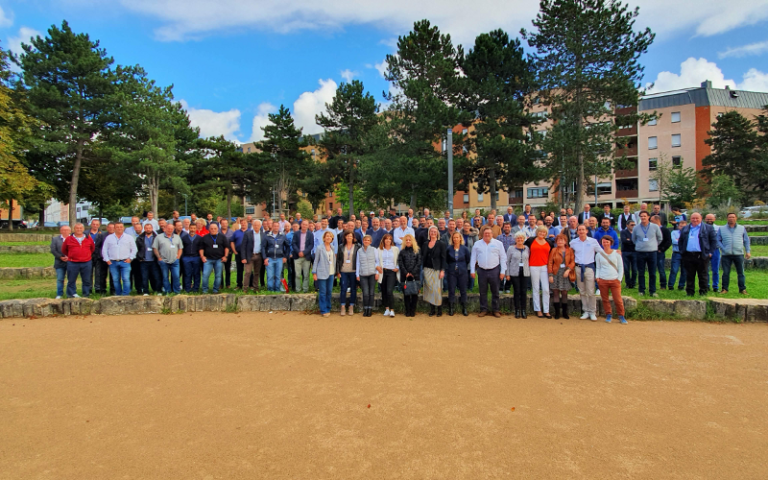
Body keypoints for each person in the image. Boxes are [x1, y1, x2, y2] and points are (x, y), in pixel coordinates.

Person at [470, 225, 507, 318]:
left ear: (492, 234)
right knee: (483, 291)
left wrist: (503, 271)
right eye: (485, 233)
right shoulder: (477, 244)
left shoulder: (498, 244)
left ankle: (496, 310)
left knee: (495, 291)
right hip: (481, 270)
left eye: (489, 233)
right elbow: (473, 258)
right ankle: (484, 309)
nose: (487, 235)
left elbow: (503, 258)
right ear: (482, 234)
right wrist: (472, 270)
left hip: (494, 270)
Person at [678, 213, 717, 297]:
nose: (695, 220)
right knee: (689, 275)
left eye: (697, 218)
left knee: (703, 275)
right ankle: (690, 292)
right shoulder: (685, 228)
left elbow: (714, 241)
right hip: (688, 255)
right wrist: (682, 252)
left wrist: (710, 253)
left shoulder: (708, 228)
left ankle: (703, 292)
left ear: (701, 218)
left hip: (702, 255)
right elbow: (680, 241)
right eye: (693, 218)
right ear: (690, 219)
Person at [570, 224, 602, 321]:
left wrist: (613, 252)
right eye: (579, 230)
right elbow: (569, 254)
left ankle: (592, 311)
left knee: (591, 291)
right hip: (578, 268)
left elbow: (601, 252)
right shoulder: (573, 242)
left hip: (589, 268)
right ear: (577, 231)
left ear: (586, 231)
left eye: (583, 230)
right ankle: (586, 311)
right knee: (582, 291)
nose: (581, 231)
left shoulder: (593, 241)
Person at [595, 235, 627, 324]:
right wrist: (597, 277)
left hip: (614, 279)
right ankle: (608, 314)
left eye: (607, 242)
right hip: (603, 279)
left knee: (618, 299)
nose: (605, 244)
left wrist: (619, 279)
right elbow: (598, 267)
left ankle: (621, 315)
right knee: (605, 299)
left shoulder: (616, 254)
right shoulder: (599, 254)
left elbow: (621, 267)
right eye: (604, 242)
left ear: (611, 243)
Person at [718, 212, 751, 295]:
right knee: (725, 273)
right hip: (726, 255)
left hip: (738, 254)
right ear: (727, 218)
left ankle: (742, 289)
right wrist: (723, 249)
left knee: (741, 273)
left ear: (736, 218)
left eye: (733, 217)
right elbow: (718, 240)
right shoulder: (721, 229)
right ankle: (724, 289)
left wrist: (748, 251)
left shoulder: (741, 228)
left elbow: (746, 240)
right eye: (729, 217)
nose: (731, 218)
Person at [632, 211, 662, 297]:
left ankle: (652, 291)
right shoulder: (636, 228)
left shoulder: (655, 227)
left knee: (652, 272)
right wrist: (640, 245)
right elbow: (634, 239)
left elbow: (660, 238)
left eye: (644, 216)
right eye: (641, 216)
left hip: (652, 252)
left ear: (648, 217)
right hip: (640, 252)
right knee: (641, 272)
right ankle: (641, 290)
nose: (643, 218)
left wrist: (653, 245)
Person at [526, 226, 554, 318]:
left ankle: (546, 310)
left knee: (546, 289)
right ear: (537, 232)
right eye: (540, 232)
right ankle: (538, 309)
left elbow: (552, 254)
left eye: (544, 232)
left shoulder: (549, 242)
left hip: (544, 267)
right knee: (536, 288)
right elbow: (524, 248)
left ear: (546, 233)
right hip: (533, 266)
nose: (542, 234)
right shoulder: (531, 240)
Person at [102, 222, 136, 296]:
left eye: (121, 227)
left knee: (126, 279)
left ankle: (126, 294)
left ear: (123, 228)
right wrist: (107, 259)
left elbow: (134, 249)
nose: (119, 228)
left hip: (125, 262)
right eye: (117, 227)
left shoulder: (129, 237)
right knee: (115, 280)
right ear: (114, 228)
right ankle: (118, 294)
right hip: (113, 262)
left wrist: (130, 258)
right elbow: (104, 249)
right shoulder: (109, 238)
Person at [62, 223, 95, 298]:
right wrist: (72, 255)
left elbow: (92, 248)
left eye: (80, 228)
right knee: (71, 280)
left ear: (83, 229)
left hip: (86, 262)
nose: (79, 230)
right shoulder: (69, 239)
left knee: (86, 280)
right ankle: (71, 294)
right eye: (77, 228)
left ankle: (86, 295)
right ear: (74, 229)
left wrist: (85, 255)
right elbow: (64, 250)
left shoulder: (88, 238)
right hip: (73, 263)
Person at [547, 234, 575, 320]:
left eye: (562, 240)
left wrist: (568, 269)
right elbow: (550, 263)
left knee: (564, 293)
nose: (560, 242)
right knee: (555, 292)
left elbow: (572, 261)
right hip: (556, 272)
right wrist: (550, 275)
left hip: (565, 273)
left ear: (565, 241)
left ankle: (565, 313)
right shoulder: (554, 250)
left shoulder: (569, 250)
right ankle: (557, 313)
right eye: (558, 240)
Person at [421, 227, 446, 316]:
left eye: (435, 231)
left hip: (437, 269)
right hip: (427, 269)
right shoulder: (425, 244)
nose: (433, 233)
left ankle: (439, 309)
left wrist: (442, 270)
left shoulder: (441, 244)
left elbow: (443, 258)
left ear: (437, 233)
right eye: (431, 231)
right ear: (429, 233)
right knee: (430, 290)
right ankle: (432, 309)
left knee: (437, 290)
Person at [505, 232, 530, 318]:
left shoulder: (527, 248)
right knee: (517, 291)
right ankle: (517, 310)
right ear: (515, 239)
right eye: (518, 238)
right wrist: (507, 274)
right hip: (514, 272)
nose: (520, 240)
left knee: (524, 291)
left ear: (524, 239)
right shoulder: (511, 248)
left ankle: (523, 310)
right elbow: (507, 262)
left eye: (521, 238)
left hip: (525, 272)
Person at [154, 222, 183, 295]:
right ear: (165, 229)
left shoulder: (177, 237)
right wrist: (159, 258)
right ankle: (167, 291)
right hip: (163, 260)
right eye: (168, 228)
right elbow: (155, 248)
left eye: (171, 229)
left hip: (175, 261)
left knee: (176, 276)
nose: (170, 230)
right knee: (165, 277)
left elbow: (180, 248)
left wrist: (178, 257)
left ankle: (176, 291)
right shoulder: (158, 237)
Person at [200, 223, 229, 294]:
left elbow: (226, 247)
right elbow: (201, 248)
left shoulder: (222, 237)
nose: (213, 230)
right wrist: (202, 256)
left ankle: (215, 289)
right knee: (205, 275)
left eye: (215, 228)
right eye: (211, 228)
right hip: (208, 259)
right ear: (209, 229)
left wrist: (225, 256)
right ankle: (205, 290)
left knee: (218, 275)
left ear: (217, 229)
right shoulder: (205, 237)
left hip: (219, 259)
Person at [312, 231, 336, 317]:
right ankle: (323, 309)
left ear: (332, 238)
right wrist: (314, 273)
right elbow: (316, 261)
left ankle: (328, 307)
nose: (328, 238)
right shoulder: (319, 248)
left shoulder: (332, 248)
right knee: (322, 292)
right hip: (322, 272)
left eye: (330, 236)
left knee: (329, 291)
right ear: (324, 238)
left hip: (331, 272)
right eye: (327, 236)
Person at [446, 231, 470, 316]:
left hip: (462, 271)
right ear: (452, 239)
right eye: (454, 237)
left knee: (463, 290)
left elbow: (467, 259)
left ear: (460, 238)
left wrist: (461, 266)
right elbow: (447, 260)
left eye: (457, 237)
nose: (456, 239)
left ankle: (464, 308)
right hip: (452, 271)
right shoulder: (449, 248)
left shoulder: (465, 249)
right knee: (451, 290)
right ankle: (451, 308)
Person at [398, 234, 422, 318]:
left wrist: (412, 272)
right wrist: (406, 272)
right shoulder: (402, 252)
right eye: (406, 240)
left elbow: (419, 263)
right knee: (406, 294)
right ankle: (407, 310)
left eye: (409, 240)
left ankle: (413, 310)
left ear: (412, 241)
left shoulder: (417, 251)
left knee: (415, 294)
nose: (408, 241)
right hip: (405, 276)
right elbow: (400, 263)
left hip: (415, 275)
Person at [337, 230, 360, 316]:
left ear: (353, 237)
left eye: (351, 236)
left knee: (353, 289)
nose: (349, 237)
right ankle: (342, 307)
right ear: (345, 237)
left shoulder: (358, 246)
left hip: (353, 271)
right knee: (343, 289)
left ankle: (351, 306)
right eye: (347, 236)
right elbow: (338, 260)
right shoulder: (341, 247)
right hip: (343, 271)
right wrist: (338, 271)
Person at [262, 221, 290, 292]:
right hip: (270, 258)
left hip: (279, 258)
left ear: (279, 227)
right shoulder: (267, 236)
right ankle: (270, 289)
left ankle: (277, 289)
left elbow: (287, 246)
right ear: (272, 226)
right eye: (274, 226)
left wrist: (285, 256)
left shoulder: (282, 236)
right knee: (270, 276)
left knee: (278, 275)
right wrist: (265, 258)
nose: (276, 227)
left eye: (277, 226)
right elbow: (263, 247)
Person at [356, 235, 379, 317]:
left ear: (370, 242)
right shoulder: (359, 251)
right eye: (365, 240)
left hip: (372, 274)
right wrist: (357, 274)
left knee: (371, 292)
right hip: (363, 274)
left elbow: (377, 262)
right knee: (365, 293)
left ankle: (370, 309)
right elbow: (358, 263)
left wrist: (377, 272)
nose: (366, 241)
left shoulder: (374, 250)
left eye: (368, 240)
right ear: (363, 241)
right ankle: (365, 308)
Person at [377, 234, 399, 317]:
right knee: (384, 291)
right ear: (383, 240)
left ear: (391, 241)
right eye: (386, 239)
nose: (388, 241)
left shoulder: (395, 249)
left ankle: (392, 309)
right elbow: (376, 260)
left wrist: (397, 267)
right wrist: (377, 266)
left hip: (391, 271)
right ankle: (386, 309)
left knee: (389, 291)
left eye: (389, 239)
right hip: (382, 272)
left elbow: (399, 259)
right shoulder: (379, 249)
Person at [136, 223, 161, 295]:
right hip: (144, 261)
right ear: (144, 229)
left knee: (156, 277)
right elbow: (136, 249)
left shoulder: (157, 237)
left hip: (154, 261)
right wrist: (139, 257)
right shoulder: (140, 238)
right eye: (146, 228)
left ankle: (158, 290)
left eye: (149, 228)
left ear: (152, 228)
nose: (148, 229)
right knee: (144, 277)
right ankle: (146, 291)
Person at [239, 220, 264, 292]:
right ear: (252, 226)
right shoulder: (248, 234)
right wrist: (243, 257)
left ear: (260, 226)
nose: (256, 226)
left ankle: (256, 287)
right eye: (255, 225)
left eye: (258, 225)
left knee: (257, 272)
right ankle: (245, 288)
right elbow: (243, 246)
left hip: (259, 256)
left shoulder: (263, 234)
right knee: (248, 272)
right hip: (249, 256)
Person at [291, 220, 314, 293]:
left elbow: (311, 245)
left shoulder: (310, 234)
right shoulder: (296, 233)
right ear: (301, 225)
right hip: (297, 256)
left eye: (306, 225)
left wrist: (304, 252)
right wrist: (298, 252)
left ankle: (305, 289)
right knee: (297, 274)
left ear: (308, 226)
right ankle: (298, 289)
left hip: (306, 257)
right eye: (303, 224)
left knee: (306, 274)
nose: (304, 226)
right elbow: (293, 243)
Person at [87, 219, 107, 295]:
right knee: (89, 273)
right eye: (93, 224)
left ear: (99, 225)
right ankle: (89, 289)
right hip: (88, 256)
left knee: (98, 273)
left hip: (99, 256)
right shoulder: (86, 234)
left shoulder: (103, 234)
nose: (95, 225)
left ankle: (98, 288)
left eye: (97, 224)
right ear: (91, 224)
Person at [180, 223, 202, 293]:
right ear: (189, 228)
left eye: (194, 228)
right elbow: (181, 248)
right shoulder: (184, 238)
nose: (192, 230)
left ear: (196, 229)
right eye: (191, 228)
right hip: (186, 258)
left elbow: (201, 248)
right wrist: (182, 257)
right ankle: (187, 288)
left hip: (196, 257)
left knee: (196, 273)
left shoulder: (199, 238)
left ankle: (196, 288)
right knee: (187, 273)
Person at [652, 215, 672, 290]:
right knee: (652, 270)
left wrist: (662, 249)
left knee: (661, 269)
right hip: (652, 251)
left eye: (652, 220)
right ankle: (652, 284)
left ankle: (663, 285)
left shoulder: (664, 230)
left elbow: (668, 241)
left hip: (659, 252)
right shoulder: (652, 229)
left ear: (657, 220)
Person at [51, 225, 71, 299]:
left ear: (70, 231)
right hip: (59, 262)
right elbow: (53, 250)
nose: (65, 231)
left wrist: (69, 257)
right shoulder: (55, 239)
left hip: (71, 262)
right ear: (60, 231)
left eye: (67, 230)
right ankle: (59, 294)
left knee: (71, 279)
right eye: (63, 230)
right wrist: (60, 257)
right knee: (60, 279)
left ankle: (70, 293)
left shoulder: (73, 239)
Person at [667, 219, 687, 291]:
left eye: (684, 226)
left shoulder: (688, 233)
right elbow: (674, 241)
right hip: (676, 253)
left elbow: (688, 242)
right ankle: (670, 285)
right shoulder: (674, 232)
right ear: (678, 226)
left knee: (684, 271)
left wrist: (679, 240)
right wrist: (682, 241)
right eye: (681, 226)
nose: (682, 227)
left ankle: (681, 286)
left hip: (685, 253)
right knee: (674, 270)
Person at [230, 219, 249, 289]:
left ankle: (250, 284)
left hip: (248, 254)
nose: (243, 224)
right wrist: (234, 251)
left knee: (249, 270)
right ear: (240, 224)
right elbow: (232, 241)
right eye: (242, 223)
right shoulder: (236, 232)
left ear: (247, 223)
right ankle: (239, 284)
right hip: (239, 253)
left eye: (244, 223)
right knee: (239, 269)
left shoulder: (250, 232)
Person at [498, 223, 516, 294]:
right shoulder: (499, 237)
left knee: (509, 273)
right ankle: (501, 288)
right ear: (503, 228)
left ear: (510, 228)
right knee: (501, 272)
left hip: (511, 258)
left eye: (508, 227)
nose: (507, 228)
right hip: (501, 257)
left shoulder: (514, 237)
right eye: (505, 227)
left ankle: (507, 287)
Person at [704, 214, 720, 292]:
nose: (709, 221)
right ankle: (706, 285)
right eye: (708, 219)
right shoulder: (702, 228)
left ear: (714, 219)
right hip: (705, 250)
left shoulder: (718, 228)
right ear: (705, 219)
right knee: (705, 269)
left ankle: (715, 286)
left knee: (715, 269)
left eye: (711, 219)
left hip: (715, 250)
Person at [620, 220, 637, 289]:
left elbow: (638, 241)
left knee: (634, 269)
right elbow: (624, 241)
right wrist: (632, 241)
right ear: (627, 225)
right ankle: (628, 283)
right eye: (631, 225)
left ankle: (633, 283)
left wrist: (629, 240)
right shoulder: (623, 232)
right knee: (626, 269)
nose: (633, 226)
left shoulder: (636, 232)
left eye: (634, 225)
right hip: (625, 252)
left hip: (635, 252)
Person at [219, 218, 234, 289]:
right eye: (223, 223)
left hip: (229, 253)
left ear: (227, 224)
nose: (224, 225)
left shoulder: (231, 232)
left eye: (225, 223)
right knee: (219, 269)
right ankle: (220, 284)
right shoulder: (217, 231)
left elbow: (233, 242)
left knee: (227, 269)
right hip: (219, 253)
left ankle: (228, 284)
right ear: (220, 224)